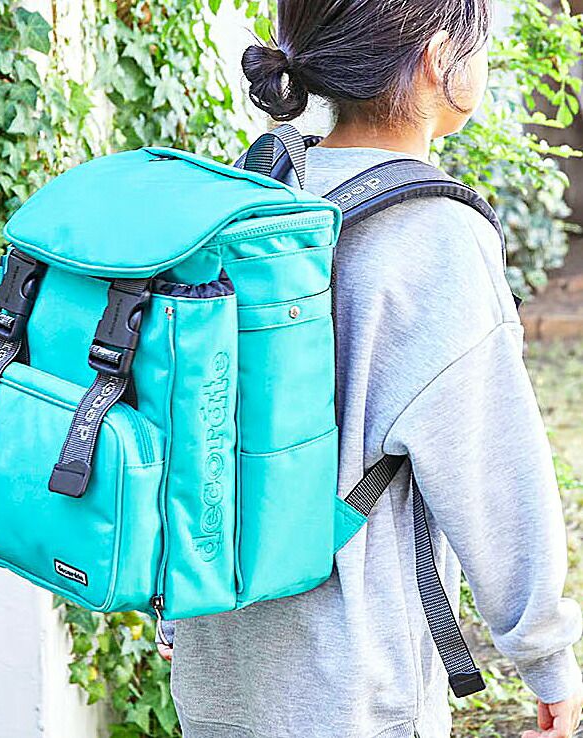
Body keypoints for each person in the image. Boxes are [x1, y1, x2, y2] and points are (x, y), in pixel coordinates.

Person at [159, 2, 583, 737]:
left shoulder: (253, 195)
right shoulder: (437, 235)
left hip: (215, 654)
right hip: (352, 683)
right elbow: (493, 476)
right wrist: (546, 658)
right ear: (439, 57)